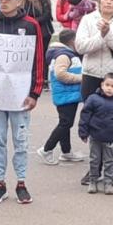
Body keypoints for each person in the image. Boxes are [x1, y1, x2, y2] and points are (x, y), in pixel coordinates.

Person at [0, 0, 44, 205]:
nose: (3, 2)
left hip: (20, 95)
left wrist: (35, 93)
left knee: (21, 140)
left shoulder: (31, 25)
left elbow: (38, 60)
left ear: (18, 1)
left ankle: (21, 182)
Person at [75, 0, 113, 186]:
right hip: (92, 77)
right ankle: (94, 169)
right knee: (94, 123)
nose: (108, 2)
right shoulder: (87, 20)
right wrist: (101, 35)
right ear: (98, 1)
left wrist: (108, 34)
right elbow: (81, 47)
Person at [36, 29, 84, 165]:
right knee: (66, 123)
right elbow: (60, 74)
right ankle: (47, 149)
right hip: (65, 94)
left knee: (65, 122)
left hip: (68, 93)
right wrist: (81, 78)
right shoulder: (63, 55)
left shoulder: (66, 53)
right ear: (73, 41)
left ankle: (66, 151)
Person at [79, 73, 113, 195]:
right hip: (95, 136)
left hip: (111, 137)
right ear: (102, 85)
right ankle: (93, 180)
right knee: (94, 159)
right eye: (107, 85)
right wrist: (83, 132)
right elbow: (84, 115)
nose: (109, 88)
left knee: (109, 161)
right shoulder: (93, 99)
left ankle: (108, 182)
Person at [22, 0, 54, 86]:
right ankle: (32, 78)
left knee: (42, 55)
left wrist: (34, 22)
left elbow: (47, 14)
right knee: (31, 55)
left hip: (43, 31)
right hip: (30, 32)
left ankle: (43, 79)